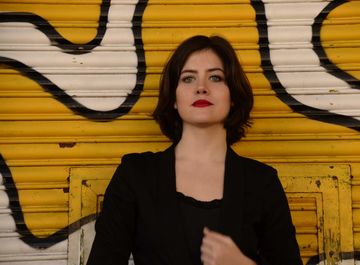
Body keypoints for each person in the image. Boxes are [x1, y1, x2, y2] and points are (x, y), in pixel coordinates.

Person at [87, 35, 302, 265]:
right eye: (188, 78)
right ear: (174, 98)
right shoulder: (136, 175)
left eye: (215, 77)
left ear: (232, 96)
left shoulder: (262, 182)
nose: (201, 88)